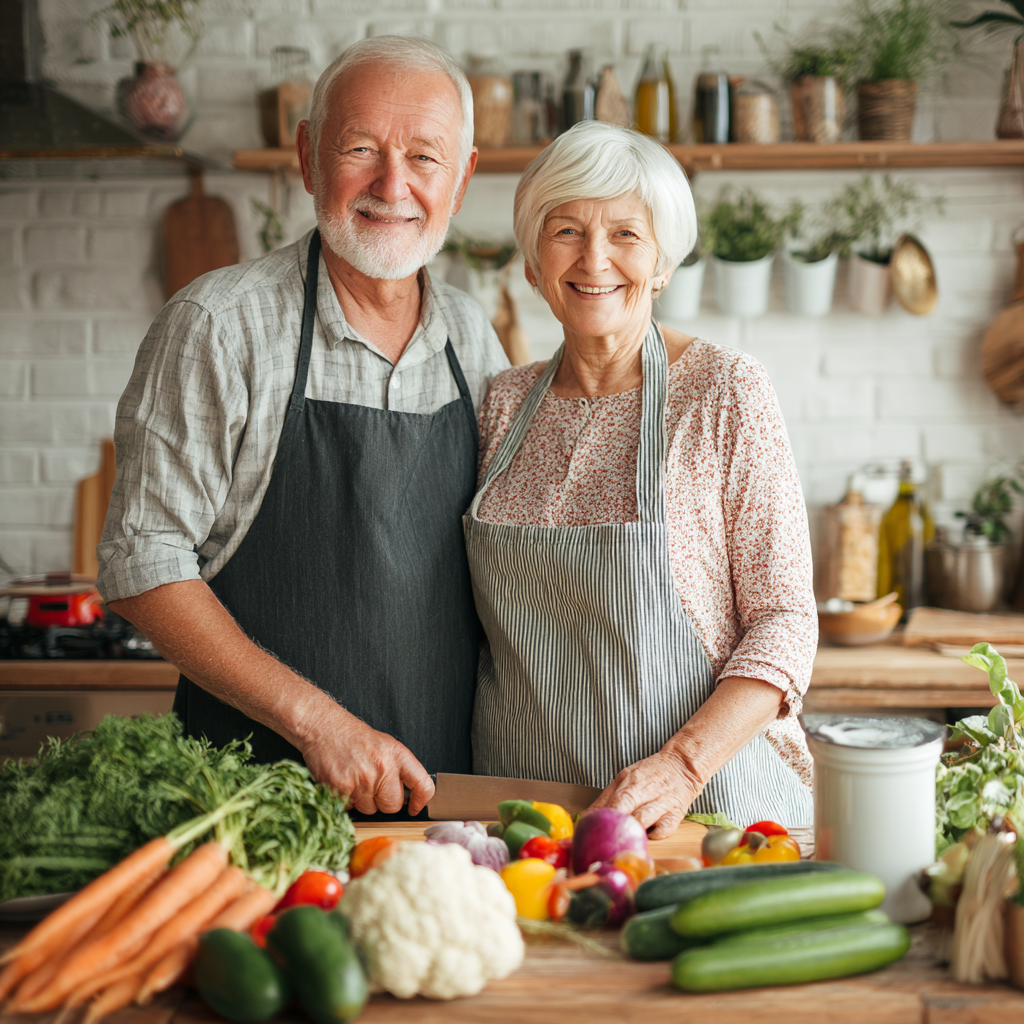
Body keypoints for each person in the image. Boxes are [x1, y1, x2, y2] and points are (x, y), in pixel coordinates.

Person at [97, 37, 509, 818]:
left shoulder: (470, 331)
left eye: (425, 156)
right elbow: (140, 561)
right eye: (361, 148)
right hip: (251, 804)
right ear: (308, 157)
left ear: (462, 179)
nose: (394, 185)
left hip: (444, 796)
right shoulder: (219, 324)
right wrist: (320, 723)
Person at [465, 121, 816, 837]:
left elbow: (785, 621)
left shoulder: (723, 391)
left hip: (712, 811)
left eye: (626, 234)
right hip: (535, 820)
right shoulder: (500, 403)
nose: (595, 259)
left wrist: (684, 766)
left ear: (662, 262)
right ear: (533, 263)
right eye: (566, 230)